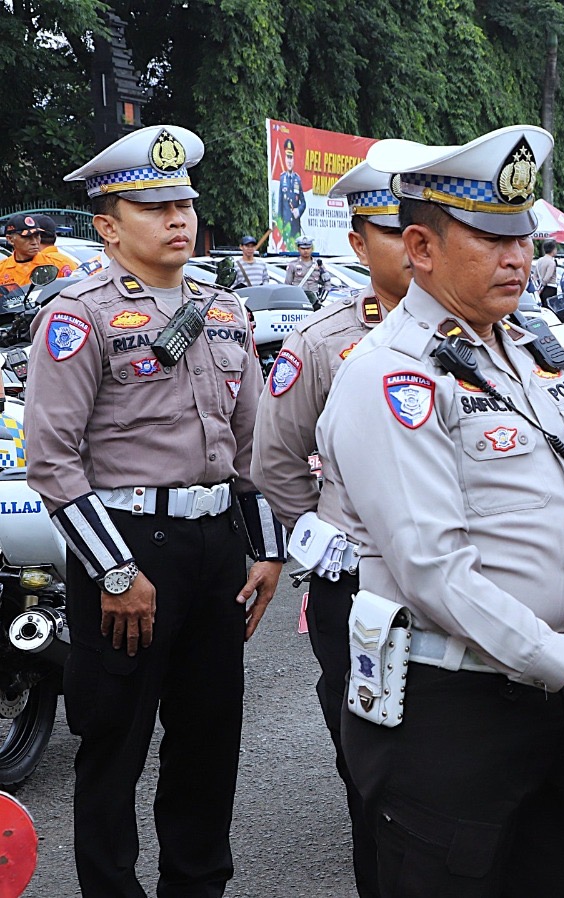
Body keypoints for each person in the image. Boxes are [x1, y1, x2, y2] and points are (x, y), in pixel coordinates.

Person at [319, 125, 564, 897]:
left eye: (521, 237)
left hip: (549, 699)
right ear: (420, 248)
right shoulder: (392, 377)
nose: (517, 258)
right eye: (490, 238)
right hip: (450, 713)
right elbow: (436, 573)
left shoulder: (528, 351)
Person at [28, 124, 286, 898]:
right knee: (114, 744)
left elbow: (250, 451)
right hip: (127, 547)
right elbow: (53, 461)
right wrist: (114, 571)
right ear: (107, 226)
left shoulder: (225, 310)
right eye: (154, 206)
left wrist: (266, 550)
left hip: (214, 550)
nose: (179, 218)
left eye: (183, 203)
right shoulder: (79, 316)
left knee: (209, 742)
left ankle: (196, 888)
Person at [250, 157, 414, 897]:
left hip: (465, 581)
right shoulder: (322, 341)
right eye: (391, 231)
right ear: (358, 244)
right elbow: (276, 463)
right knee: (374, 772)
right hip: (361, 593)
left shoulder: (493, 327)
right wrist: (334, 539)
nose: (412, 243)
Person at [0, 213, 77, 289]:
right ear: (10, 239)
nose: (34, 242)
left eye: (37, 236)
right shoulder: (2, 269)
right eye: (27, 237)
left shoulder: (59, 263)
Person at [278, 136, 308, 245]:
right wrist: (280, 227)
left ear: (294, 159)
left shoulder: (297, 179)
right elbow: (280, 206)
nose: (289, 161)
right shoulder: (282, 179)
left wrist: (298, 211)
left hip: (295, 227)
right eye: (287, 157)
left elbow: (303, 203)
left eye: (291, 158)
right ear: (284, 159)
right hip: (286, 227)